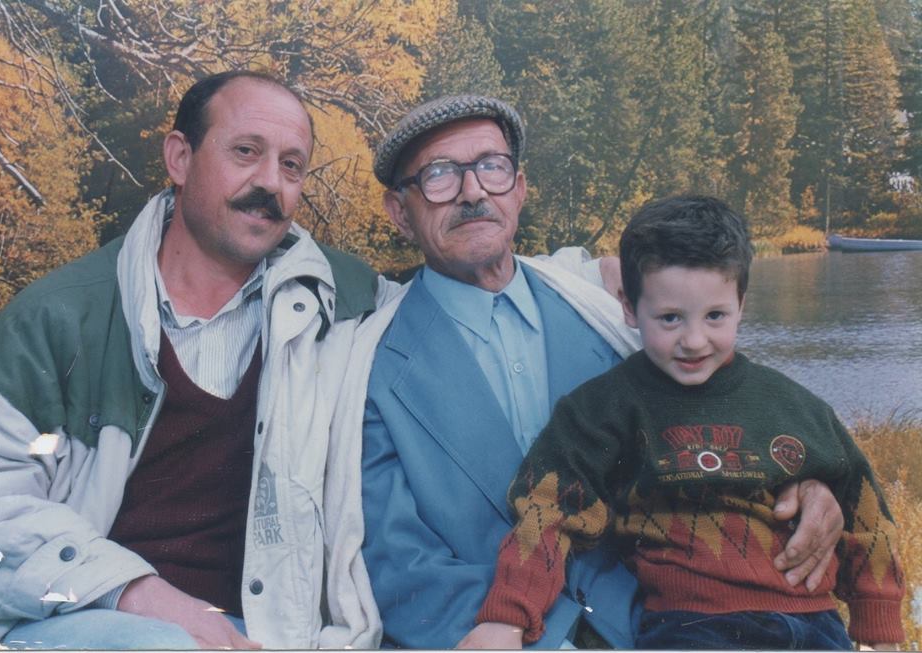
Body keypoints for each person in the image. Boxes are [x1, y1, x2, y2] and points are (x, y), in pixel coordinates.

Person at [341, 95, 848, 649]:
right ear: (399, 212)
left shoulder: (605, 315)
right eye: (439, 175)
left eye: (491, 166)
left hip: (670, 624)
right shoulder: (372, 364)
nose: (473, 191)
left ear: (520, 188)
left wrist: (811, 483)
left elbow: (720, 420)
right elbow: (397, 560)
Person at [0, 70, 384, 649]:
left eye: (292, 165)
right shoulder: (59, 317)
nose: (271, 183)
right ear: (179, 158)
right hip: (84, 619)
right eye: (245, 152)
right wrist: (133, 590)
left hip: (269, 634)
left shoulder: (347, 306)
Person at [469, 195, 905, 650]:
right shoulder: (604, 407)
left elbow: (863, 506)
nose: (694, 341)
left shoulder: (792, 404)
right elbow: (549, 511)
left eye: (715, 316)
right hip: (692, 627)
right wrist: (508, 617)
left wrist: (880, 625)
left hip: (815, 621)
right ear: (629, 308)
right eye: (670, 318)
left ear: (741, 304)